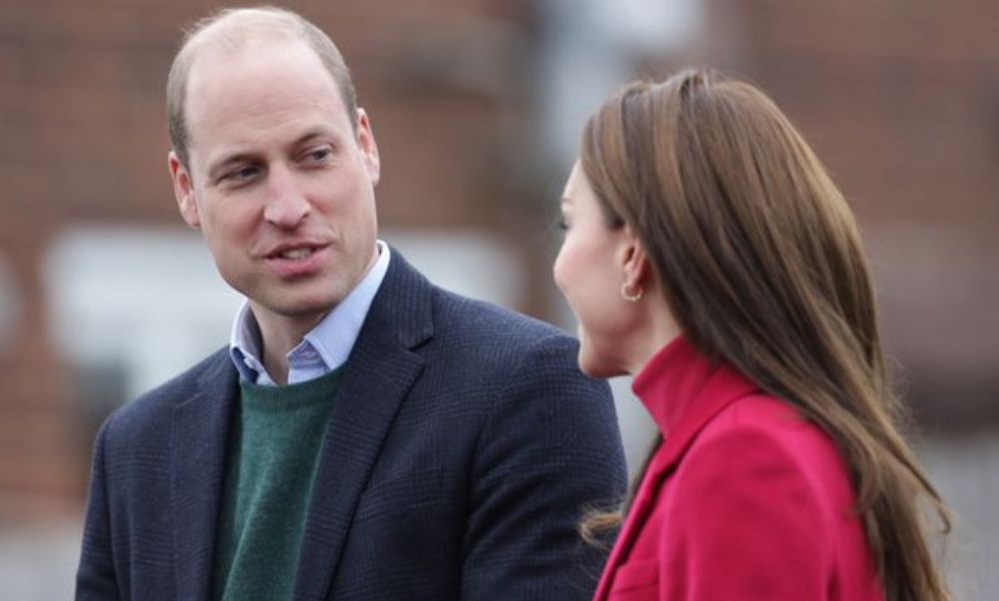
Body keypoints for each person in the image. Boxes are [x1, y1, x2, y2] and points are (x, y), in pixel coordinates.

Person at [75, 7, 627, 601]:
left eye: (315, 155)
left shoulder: (529, 389)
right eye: (243, 172)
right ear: (186, 189)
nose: (287, 206)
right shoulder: (135, 451)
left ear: (365, 146)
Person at [553, 69, 953, 601]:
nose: (559, 263)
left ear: (633, 255)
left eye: (568, 224)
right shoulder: (739, 437)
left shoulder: (744, 454)